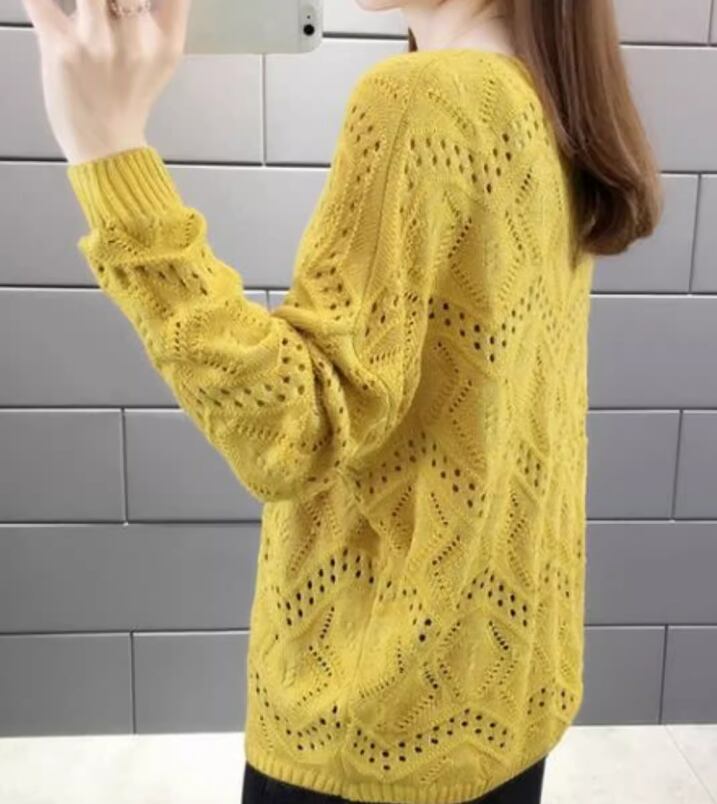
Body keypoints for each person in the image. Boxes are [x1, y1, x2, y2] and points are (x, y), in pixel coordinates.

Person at [23, 0, 662, 801]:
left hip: (375, 718)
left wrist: (109, 151)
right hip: (504, 687)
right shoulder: (548, 94)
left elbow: (294, 429)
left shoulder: (424, 101)